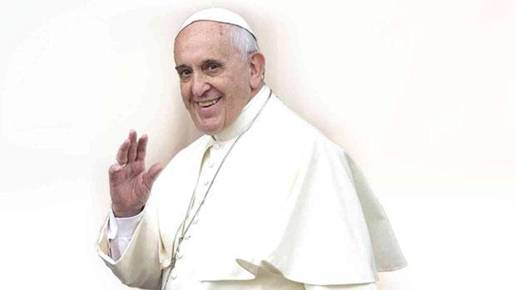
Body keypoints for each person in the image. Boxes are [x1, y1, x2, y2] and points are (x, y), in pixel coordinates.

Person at [97, 7, 406, 290]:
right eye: (185, 72)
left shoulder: (309, 154)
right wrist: (128, 213)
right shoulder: (185, 163)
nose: (197, 87)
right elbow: (146, 277)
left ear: (254, 69)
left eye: (211, 67)